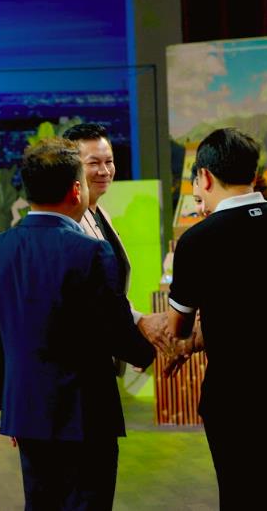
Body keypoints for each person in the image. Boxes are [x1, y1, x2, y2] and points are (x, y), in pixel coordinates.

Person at [0, 137, 156, 510]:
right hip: (86, 415)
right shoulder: (91, 252)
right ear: (76, 190)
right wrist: (150, 351)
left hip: (27, 414)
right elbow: (115, 329)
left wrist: (10, 409)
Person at [165, 128, 267, 510]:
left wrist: (192, 336)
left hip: (237, 397)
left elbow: (177, 328)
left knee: (243, 496)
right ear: (253, 173)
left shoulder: (197, 241)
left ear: (204, 177)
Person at [63, 123, 169, 360]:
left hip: (107, 350)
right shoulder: (70, 223)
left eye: (108, 162)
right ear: (72, 167)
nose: (104, 171)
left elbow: (114, 289)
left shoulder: (102, 213)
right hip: (83, 354)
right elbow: (94, 295)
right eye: (93, 163)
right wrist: (139, 324)